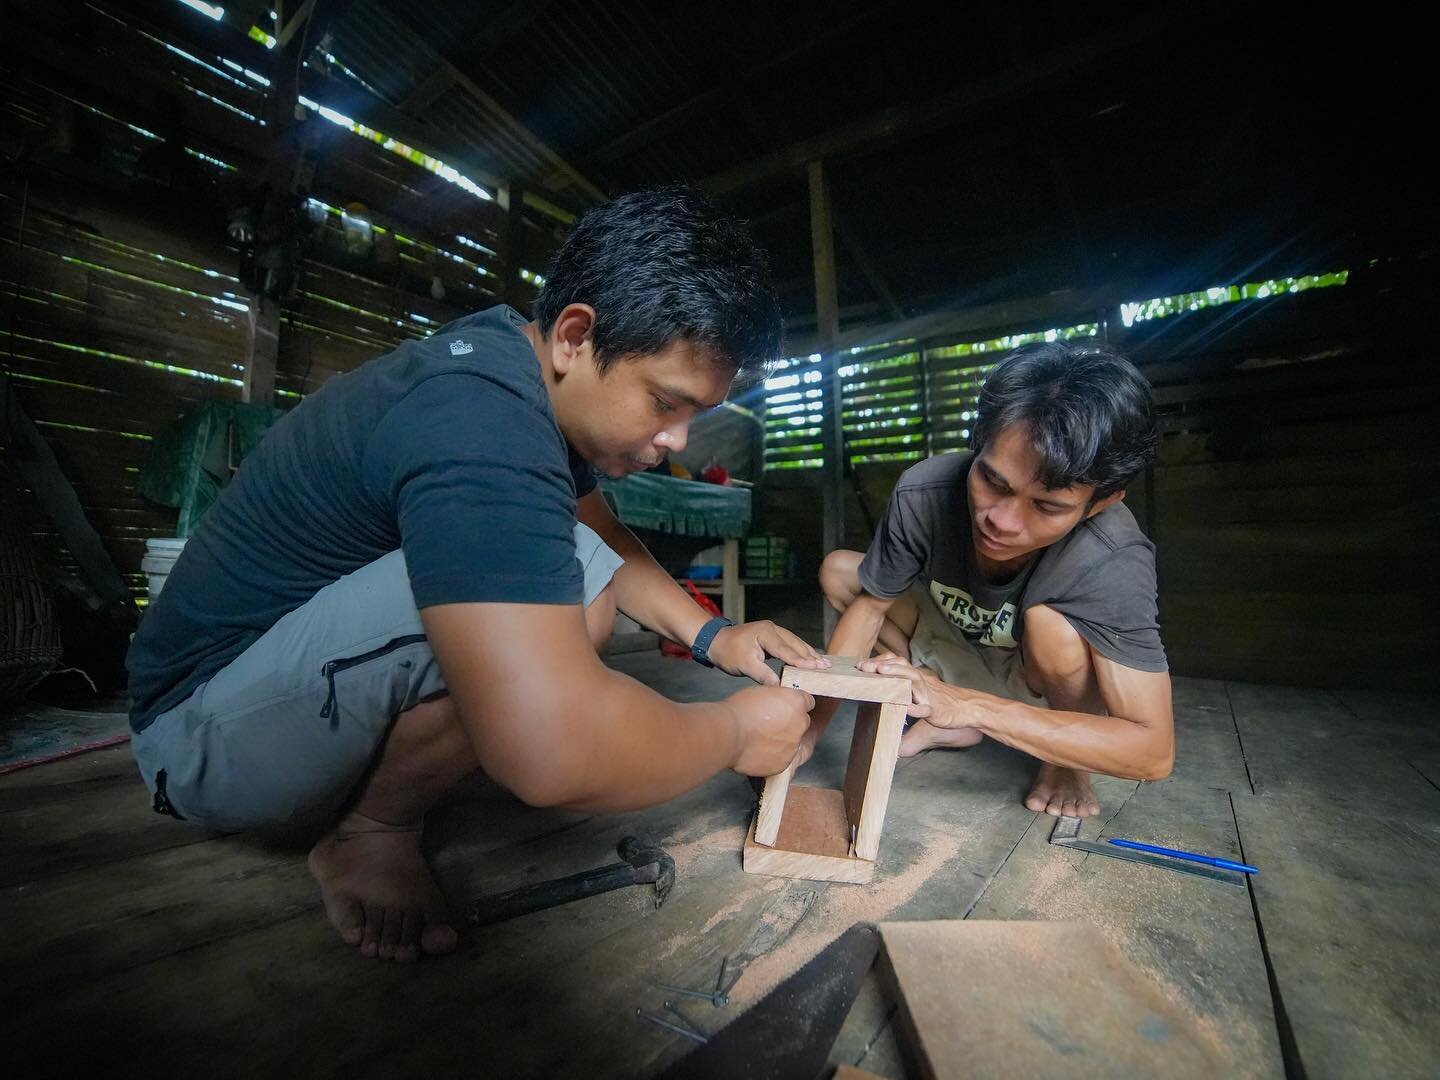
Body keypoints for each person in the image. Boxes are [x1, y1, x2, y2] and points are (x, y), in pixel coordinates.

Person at [126, 188, 820, 964]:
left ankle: (373, 804)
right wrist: (733, 731)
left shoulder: (510, 364)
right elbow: (552, 751)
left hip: (265, 702)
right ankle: (371, 830)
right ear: (576, 334)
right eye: (666, 402)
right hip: (198, 745)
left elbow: (598, 530)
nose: (676, 438)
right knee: (563, 614)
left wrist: (716, 638)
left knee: (570, 577)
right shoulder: (478, 415)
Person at [803, 341, 1173, 818]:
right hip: (952, 647)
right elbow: (870, 610)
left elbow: (1153, 750)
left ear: (1100, 503)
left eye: (1047, 506)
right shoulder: (926, 492)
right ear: (979, 441)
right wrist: (809, 732)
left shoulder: (1113, 556)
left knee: (1052, 628)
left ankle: (1060, 760)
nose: (1000, 521)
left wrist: (970, 704)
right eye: (993, 482)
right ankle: (937, 706)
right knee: (842, 571)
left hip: (1036, 681)